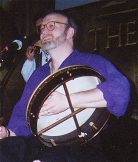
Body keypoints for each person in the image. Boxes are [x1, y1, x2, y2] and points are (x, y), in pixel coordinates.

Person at [0, 11, 130, 162]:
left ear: (70, 32)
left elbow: (121, 91)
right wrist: (8, 133)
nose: (44, 31)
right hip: (41, 143)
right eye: (42, 28)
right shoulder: (38, 75)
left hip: (82, 145)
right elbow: (22, 117)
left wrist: (68, 100)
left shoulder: (90, 61)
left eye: (51, 26)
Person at [21, 17, 51, 82]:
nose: (42, 31)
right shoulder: (38, 52)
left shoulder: (61, 48)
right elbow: (29, 79)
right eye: (39, 29)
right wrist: (30, 60)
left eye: (44, 26)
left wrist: (47, 49)